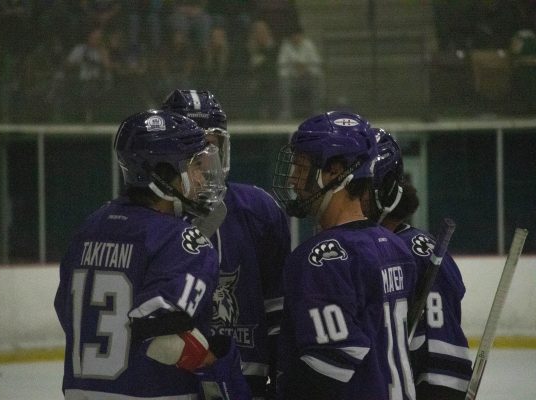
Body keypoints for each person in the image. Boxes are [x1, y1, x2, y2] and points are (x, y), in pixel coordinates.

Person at [54, 109, 251, 399]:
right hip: (150, 391)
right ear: (162, 173)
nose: (201, 177)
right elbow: (163, 336)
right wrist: (219, 367)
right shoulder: (184, 239)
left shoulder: (90, 227)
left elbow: (65, 310)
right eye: (194, 166)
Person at [272, 111, 418, 400]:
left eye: (301, 168)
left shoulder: (320, 258)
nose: (293, 180)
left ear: (335, 172)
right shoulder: (396, 247)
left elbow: (331, 362)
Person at [162, 89, 291, 399]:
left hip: (247, 381)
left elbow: (278, 311)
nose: (207, 161)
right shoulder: (155, 220)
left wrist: (283, 380)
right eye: (195, 150)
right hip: (173, 385)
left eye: (212, 146)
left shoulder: (259, 210)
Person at [368, 129, 473, 400]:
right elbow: (458, 291)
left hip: (421, 372)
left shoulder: (391, 249)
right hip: (455, 367)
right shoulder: (428, 243)